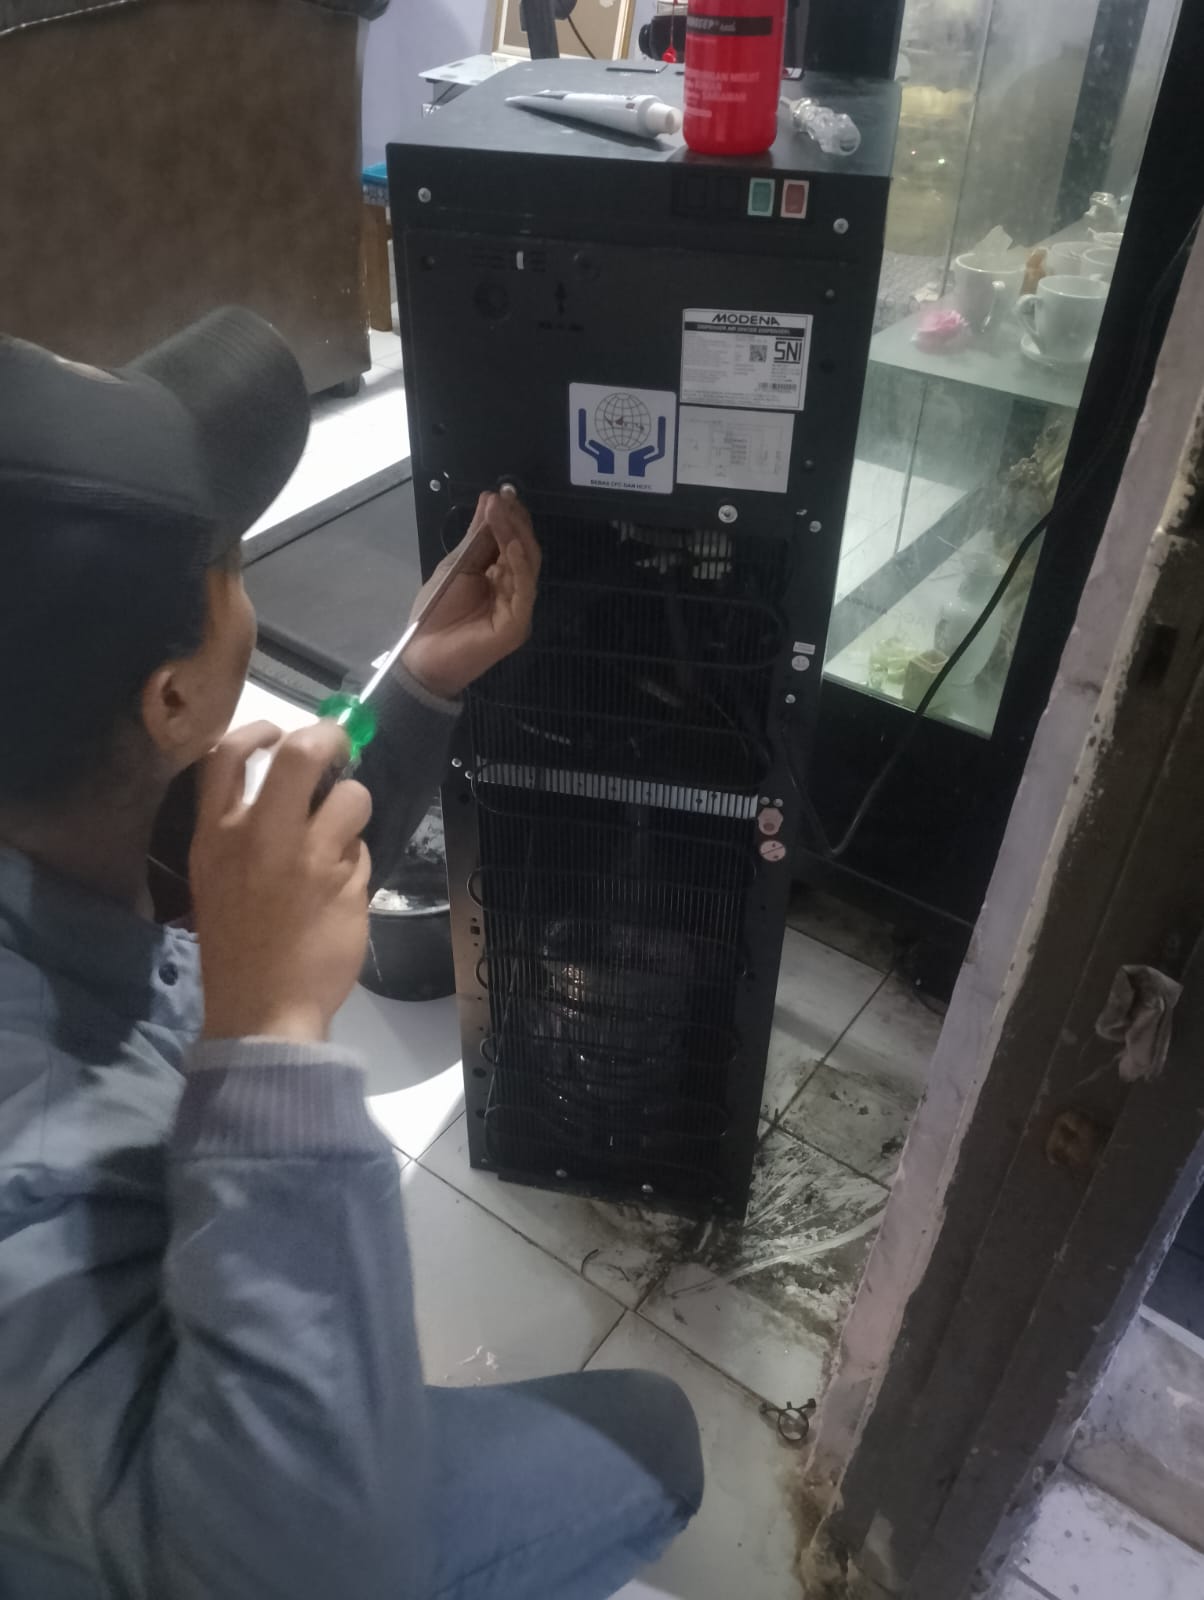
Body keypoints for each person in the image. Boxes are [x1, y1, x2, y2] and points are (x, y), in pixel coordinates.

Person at [0, 309, 703, 1599]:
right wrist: (267, 1040)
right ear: (173, 699)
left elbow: (278, 834)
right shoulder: (34, 1154)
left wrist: (418, 688)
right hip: (214, 1545)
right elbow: (302, 1570)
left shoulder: (45, 800)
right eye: (230, 562)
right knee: (654, 1443)